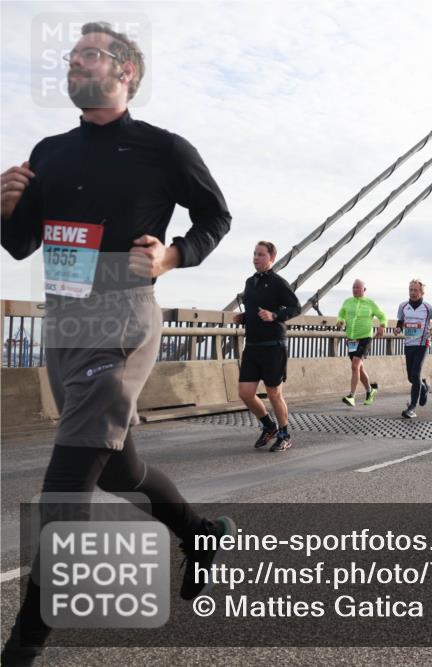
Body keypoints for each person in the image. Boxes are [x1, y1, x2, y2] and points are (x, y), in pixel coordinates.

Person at [0, 22, 233, 665]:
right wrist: (7, 208)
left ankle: (20, 650)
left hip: (124, 319)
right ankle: (204, 535)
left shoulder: (163, 149)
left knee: (65, 487)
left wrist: (175, 255)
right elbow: (21, 244)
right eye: (70, 58)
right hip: (66, 320)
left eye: (89, 56)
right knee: (123, 469)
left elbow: (215, 215)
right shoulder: (48, 151)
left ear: (126, 70)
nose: (74, 65)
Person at [235, 241, 301, 451]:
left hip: (274, 345)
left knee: (274, 393)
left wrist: (275, 315)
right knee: (245, 393)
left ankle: (284, 434)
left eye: (261, 255)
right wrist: (244, 317)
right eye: (255, 254)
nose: (256, 257)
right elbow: (255, 310)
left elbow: (295, 307)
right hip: (253, 345)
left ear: (271, 258)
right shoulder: (249, 282)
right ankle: (268, 426)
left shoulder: (278, 282)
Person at [337, 279, 386, 406]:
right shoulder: (347, 302)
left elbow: (382, 316)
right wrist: (340, 320)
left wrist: (382, 326)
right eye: (353, 287)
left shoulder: (370, 303)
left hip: (365, 338)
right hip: (351, 339)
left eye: (358, 287)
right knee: (359, 367)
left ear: (364, 289)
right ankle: (370, 391)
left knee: (354, 365)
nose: (355, 290)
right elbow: (341, 314)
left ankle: (351, 396)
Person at [395, 279, 432, 419]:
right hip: (409, 345)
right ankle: (424, 386)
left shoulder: (427, 307)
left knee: (415, 374)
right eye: (411, 290)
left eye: (415, 290)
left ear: (421, 292)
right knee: (411, 377)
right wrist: (398, 328)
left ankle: (412, 408)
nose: (413, 293)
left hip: (422, 344)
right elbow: (401, 321)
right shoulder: (403, 306)